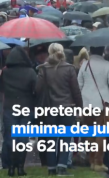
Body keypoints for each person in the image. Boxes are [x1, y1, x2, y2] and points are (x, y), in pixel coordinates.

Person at [36, 43, 82, 176]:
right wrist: (79, 107)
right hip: (67, 107)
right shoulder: (69, 68)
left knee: (50, 139)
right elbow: (75, 90)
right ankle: (62, 167)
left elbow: (38, 89)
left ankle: (51, 168)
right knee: (65, 138)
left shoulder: (43, 69)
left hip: (49, 108)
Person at [77, 46, 109, 172]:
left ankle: (91, 160)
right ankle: (98, 162)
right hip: (102, 103)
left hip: (87, 103)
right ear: (102, 51)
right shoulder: (106, 64)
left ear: (91, 51)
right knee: (101, 133)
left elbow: (79, 83)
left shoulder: (85, 64)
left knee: (90, 133)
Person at [1, 46, 36, 176]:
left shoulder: (5, 72)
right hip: (26, 107)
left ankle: (11, 167)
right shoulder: (30, 72)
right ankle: (20, 167)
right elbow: (36, 89)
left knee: (11, 138)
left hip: (10, 108)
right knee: (23, 139)